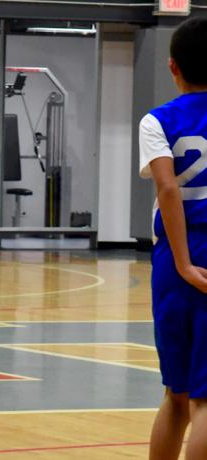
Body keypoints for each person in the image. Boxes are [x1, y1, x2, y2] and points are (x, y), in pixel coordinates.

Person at [138, 17, 207, 460]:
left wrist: (182, 263)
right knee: (206, 399)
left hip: (174, 256)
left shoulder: (158, 120)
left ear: (172, 66)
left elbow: (168, 189)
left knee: (176, 394)